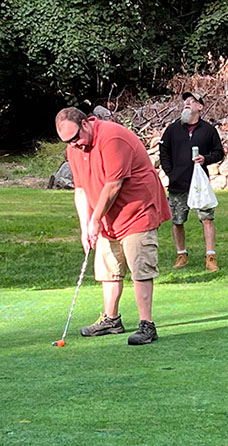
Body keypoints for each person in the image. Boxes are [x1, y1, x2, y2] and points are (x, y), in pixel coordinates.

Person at [55, 108, 170, 345]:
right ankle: (111, 319)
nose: (74, 144)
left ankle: (147, 325)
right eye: (68, 141)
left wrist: (95, 219)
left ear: (86, 124)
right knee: (109, 267)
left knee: (141, 267)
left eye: (75, 138)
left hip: (138, 209)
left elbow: (113, 185)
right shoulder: (74, 149)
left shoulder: (112, 138)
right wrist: (85, 226)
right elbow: (81, 190)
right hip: (108, 215)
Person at [158, 91, 225, 272]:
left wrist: (206, 159)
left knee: (207, 219)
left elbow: (219, 152)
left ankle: (211, 257)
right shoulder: (172, 129)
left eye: (192, 101)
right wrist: (170, 172)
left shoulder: (208, 130)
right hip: (178, 183)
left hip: (200, 184)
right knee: (177, 221)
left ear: (200, 107)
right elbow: (163, 151)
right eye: (186, 101)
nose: (187, 103)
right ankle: (182, 255)